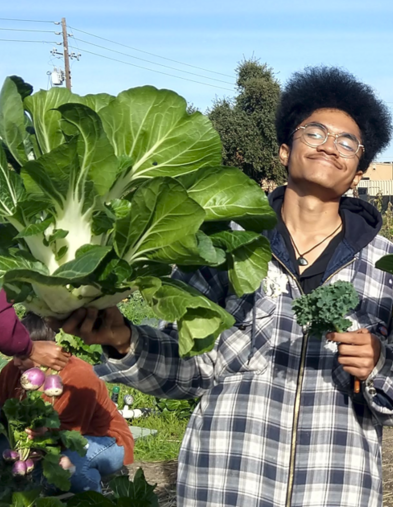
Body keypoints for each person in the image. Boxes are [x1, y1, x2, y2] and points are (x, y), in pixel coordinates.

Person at [50, 67, 393, 507]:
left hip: (337, 488)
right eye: (315, 132)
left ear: (359, 171)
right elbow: (187, 367)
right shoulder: (224, 246)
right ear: (284, 152)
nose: (330, 145)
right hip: (225, 484)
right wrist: (123, 338)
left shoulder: (384, 267)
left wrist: (380, 364)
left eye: (348, 142)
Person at [0, 313, 134, 494]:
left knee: (70, 469)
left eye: (23, 357)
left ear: (45, 351)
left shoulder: (79, 375)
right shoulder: (14, 370)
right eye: (14, 356)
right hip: (42, 443)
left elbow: (71, 433)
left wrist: (38, 445)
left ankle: (93, 497)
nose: (15, 362)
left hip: (102, 440)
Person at [0, 289, 69, 370]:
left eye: (23, 358)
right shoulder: (10, 373)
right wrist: (31, 349)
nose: (15, 363)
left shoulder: (74, 374)